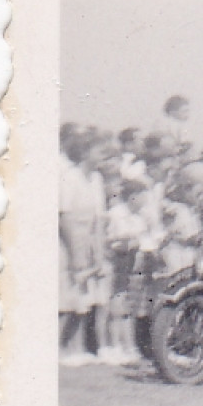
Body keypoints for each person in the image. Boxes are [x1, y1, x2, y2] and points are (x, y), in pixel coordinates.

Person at [59, 124, 111, 365]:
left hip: (88, 240)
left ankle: (77, 349)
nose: (104, 157)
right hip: (66, 241)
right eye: (100, 152)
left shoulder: (97, 179)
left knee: (84, 296)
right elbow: (65, 217)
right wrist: (75, 253)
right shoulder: (69, 177)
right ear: (84, 152)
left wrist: (98, 253)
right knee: (67, 295)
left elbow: (99, 219)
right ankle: (61, 349)